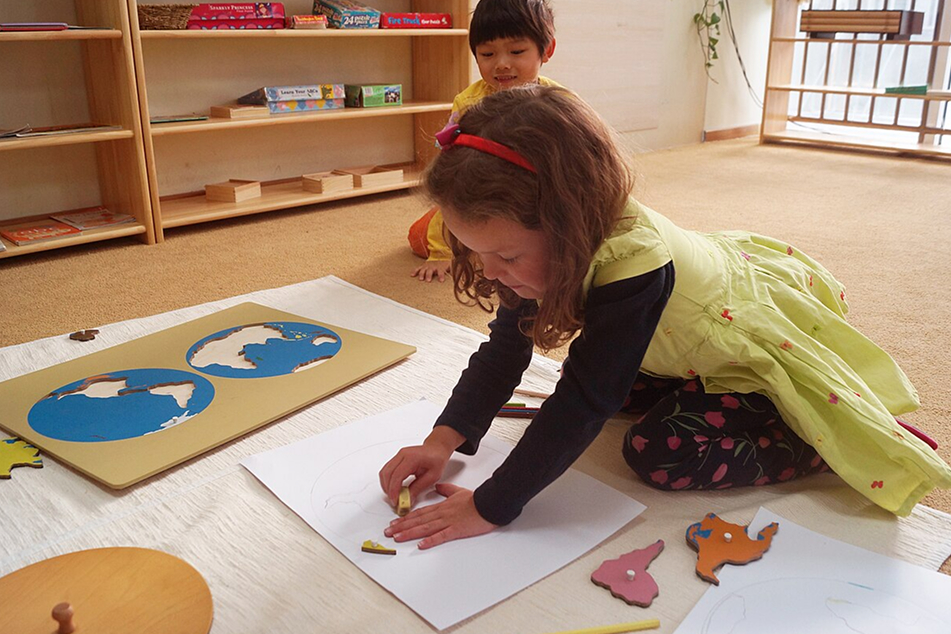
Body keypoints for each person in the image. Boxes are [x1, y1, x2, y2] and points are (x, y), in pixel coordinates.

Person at [380, 85, 951, 549]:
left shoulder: (635, 261)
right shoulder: (529, 238)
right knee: (608, 385)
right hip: (669, 338)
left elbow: (586, 399)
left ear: (571, 225)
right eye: (477, 254)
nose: (493, 272)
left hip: (732, 339)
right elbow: (507, 346)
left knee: (658, 451)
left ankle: (812, 432)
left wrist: (491, 504)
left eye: (505, 257)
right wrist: (442, 440)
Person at [408, 0, 560, 282]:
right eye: (487, 54)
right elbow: (452, 181)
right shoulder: (467, 104)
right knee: (420, 236)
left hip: (531, 200)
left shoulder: (557, 102)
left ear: (546, 50)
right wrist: (440, 252)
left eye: (516, 51)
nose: (502, 64)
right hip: (479, 195)